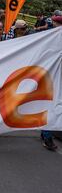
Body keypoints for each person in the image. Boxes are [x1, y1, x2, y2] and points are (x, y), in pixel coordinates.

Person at [39, 14, 62, 151]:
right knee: (50, 105)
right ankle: (47, 136)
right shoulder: (49, 38)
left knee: (52, 105)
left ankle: (46, 134)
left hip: (56, 77)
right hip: (50, 78)